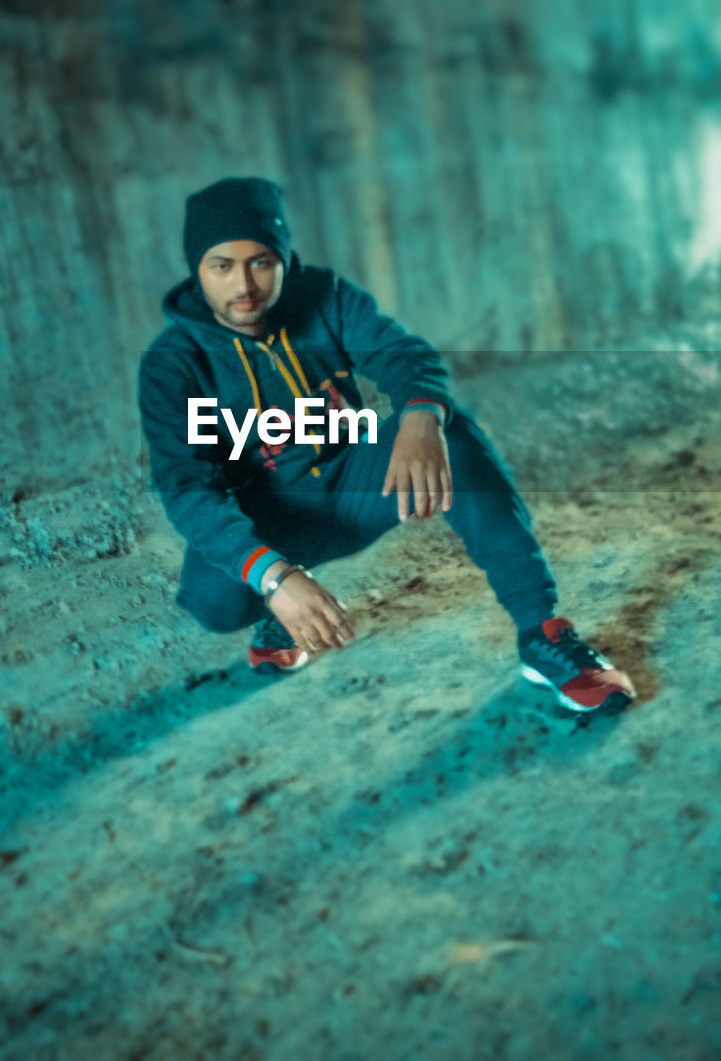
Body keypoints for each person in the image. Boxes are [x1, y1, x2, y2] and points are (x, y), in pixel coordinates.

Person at [138, 177, 636, 714]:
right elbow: (187, 487)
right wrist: (274, 577)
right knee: (214, 603)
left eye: (261, 261)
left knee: (455, 434)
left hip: (356, 483)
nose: (245, 285)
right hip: (268, 518)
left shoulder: (323, 297)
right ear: (197, 269)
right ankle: (280, 608)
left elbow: (402, 354)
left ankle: (541, 633)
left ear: (282, 259)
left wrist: (421, 417)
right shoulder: (173, 365)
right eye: (222, 266)